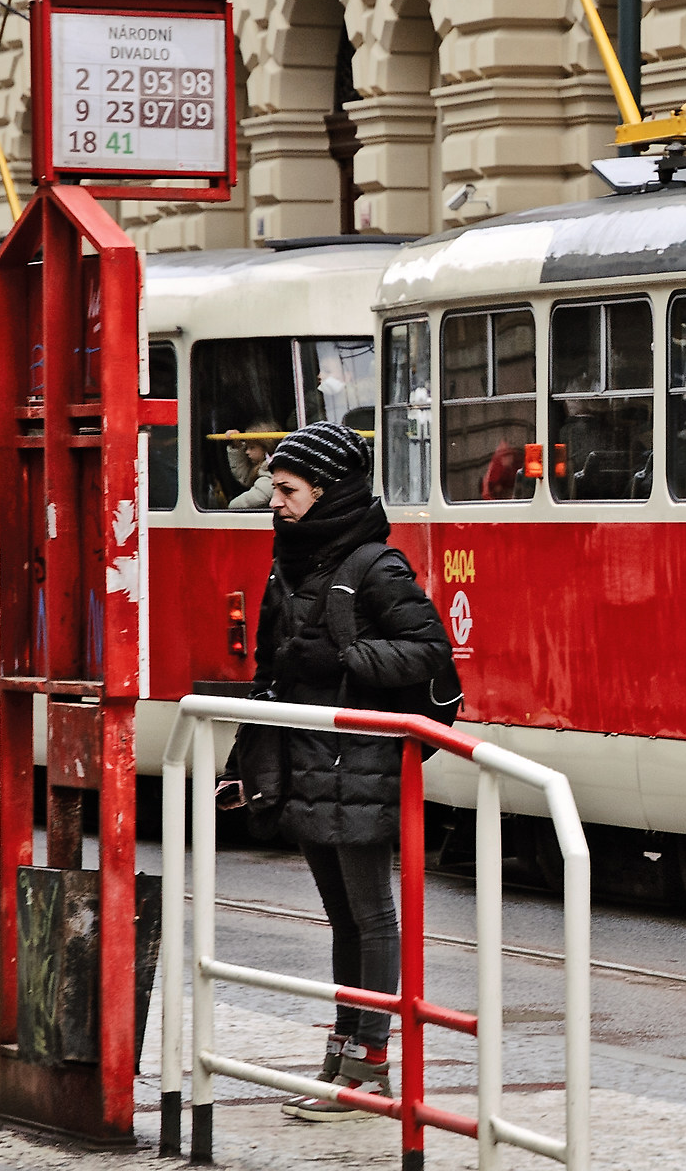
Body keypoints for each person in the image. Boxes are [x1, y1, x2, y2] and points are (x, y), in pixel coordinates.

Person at [249, 421, 449, 1120]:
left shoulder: (376, 565)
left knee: (370, 915)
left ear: (326, 491)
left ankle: (369, 1064)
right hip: (307, 758)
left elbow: (428, 653)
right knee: (341, 918)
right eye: (276, 489)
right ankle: (343, 1052)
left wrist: (346, 659)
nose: (275, 503)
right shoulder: (290, 562)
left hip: (359, 760)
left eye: (288, 490)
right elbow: (268, 670)